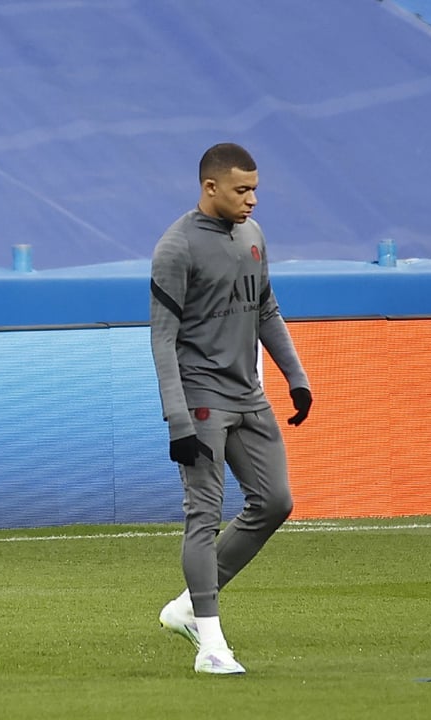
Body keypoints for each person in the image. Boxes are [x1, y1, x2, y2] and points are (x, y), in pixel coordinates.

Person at [148, 142, 312, 674]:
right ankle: (212, 646)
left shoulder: (254, 235)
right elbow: (162, 339)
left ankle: (187, 608)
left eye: (255, 189)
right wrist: (177, 418)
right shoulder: (176, 247)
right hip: (201, 401)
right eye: (242, 190)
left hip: (248, 395)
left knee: (275, 501)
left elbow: (266, 309)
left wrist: (296, 377)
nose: (252, 200)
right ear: (210, 187)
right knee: (204, 514)